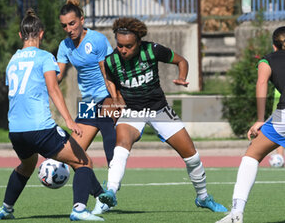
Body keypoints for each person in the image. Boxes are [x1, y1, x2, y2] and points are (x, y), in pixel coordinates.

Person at [97, 17, 227, 213]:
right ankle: (111, 193)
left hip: (159, 110)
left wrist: (182, 78)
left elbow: (181, 61)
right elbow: (110, 80)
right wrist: (115, 99)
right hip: (132, 111)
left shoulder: (153, 50)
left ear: (139, 42)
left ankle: (203, 198)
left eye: (128, 46)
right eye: (120, 45)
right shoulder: (111, 61)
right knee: (122, 145)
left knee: (192, 157)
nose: (123, 50)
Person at [0, 8, 106, 221]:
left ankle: (6, 209)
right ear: (42, 34)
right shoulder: (45, 57)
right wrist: (69, 120)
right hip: (40, 128)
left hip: (16, 130)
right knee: (83, 162)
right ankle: (80, 209)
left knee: (27, 165)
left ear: (20, 35)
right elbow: (53, 89)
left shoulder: (12, 61)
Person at [216, 26, 285, 223]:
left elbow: (261, 84)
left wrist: (260, 119)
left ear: (274, 45)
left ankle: (236, 214)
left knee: (252, 154)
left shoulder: (268, 60)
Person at [57, 0, 117, 214]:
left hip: (106, 99)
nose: (68, 29)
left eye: (72, 23)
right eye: (64, 25)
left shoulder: (98, 40)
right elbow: (59, 75)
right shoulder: (64, 46)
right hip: (88, 104)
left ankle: (112, 191)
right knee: (72, 154)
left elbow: (108, 72)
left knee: (111, 147)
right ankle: (101, 196)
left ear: (81, 20)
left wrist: (116, 100)